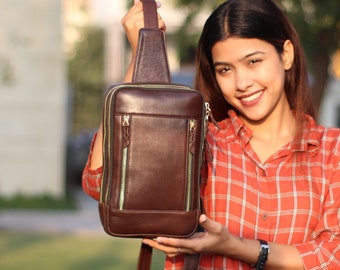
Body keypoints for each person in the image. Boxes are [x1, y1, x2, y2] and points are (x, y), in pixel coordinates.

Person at [82, 0, 340, 269]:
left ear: (286, 55)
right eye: (225, 69)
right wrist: (140, 57)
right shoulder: (201, 143)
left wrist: (234, 246)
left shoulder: (333, 151)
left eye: (253, 61)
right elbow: (100, 183)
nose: (242, 83)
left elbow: (333, 256)